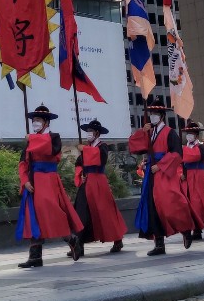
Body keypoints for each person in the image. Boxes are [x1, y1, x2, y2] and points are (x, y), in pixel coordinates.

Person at [16, 105, 84, 268]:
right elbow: (23, 163)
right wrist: (25, 180)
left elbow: (50, 150)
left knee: (51, 211)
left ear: (46, 122)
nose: (35, 123)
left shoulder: (54, 137)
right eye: (33, 120)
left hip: (48, 180)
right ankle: (35, 257)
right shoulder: (31, 140)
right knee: (33, 216)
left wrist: (32, 139)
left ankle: (71, 239)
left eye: (38, 120)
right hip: (32, 181)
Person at [128, 98, 195, 255]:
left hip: (164, 173)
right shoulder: (149, 132)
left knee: (170, 204)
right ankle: (159, 244)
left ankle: (185, 229)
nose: (153, 116)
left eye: (156, 114)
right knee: (151, 207)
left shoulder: (170, 133)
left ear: (162, 116)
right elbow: (136, 146)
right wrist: (142, 132)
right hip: (151, 173)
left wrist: (161, 165)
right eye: (151, 114)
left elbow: (177, 154)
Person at [72, 119, 126, 255]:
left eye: (90, 131)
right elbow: (78, 163)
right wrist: (80, 174)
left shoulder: (102, 146)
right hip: (86, 182)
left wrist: (85, 149)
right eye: (87, 131)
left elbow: (100, 159)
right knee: (80, 210)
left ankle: (117, 238)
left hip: (98, 181)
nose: (88, 134)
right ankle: (79, 243)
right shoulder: (87, 147)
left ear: (96, 133)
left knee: (105, 210)